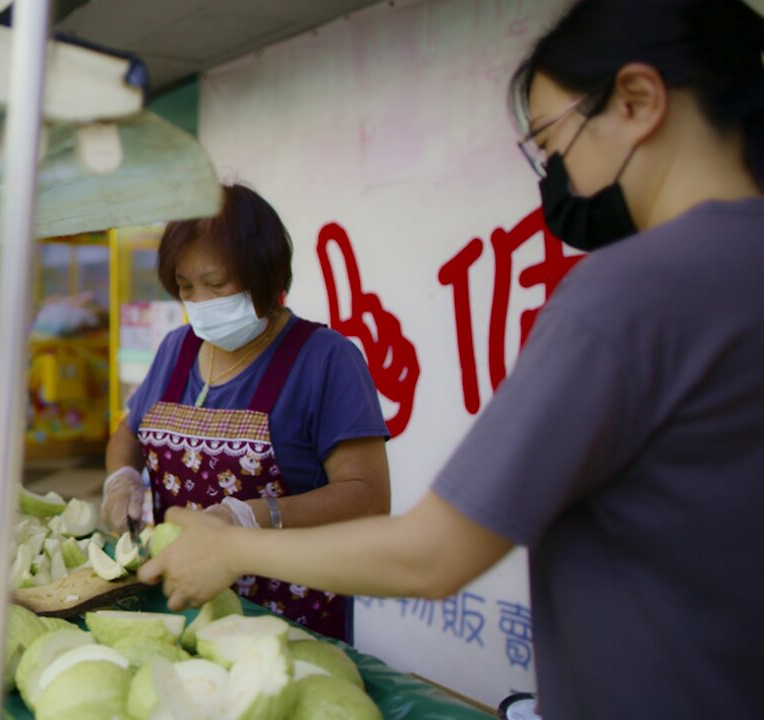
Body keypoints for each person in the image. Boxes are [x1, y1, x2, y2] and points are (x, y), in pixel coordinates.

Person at [140, 0, 764, 716]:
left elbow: (433, 552)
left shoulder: (629, 292)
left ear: (637, 101)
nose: (556, 177)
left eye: (553, 145)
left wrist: (237, 544)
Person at [102, 183, 391, 641]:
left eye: (217, 285)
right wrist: (121, 480)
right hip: (183, 606)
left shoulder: (325, 358)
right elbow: (129, 434)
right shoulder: (176, 349)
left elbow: (368, 497)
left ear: (265, 273)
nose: (201, 302)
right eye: (186, 287)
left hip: (289, 622)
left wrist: (250, 518)